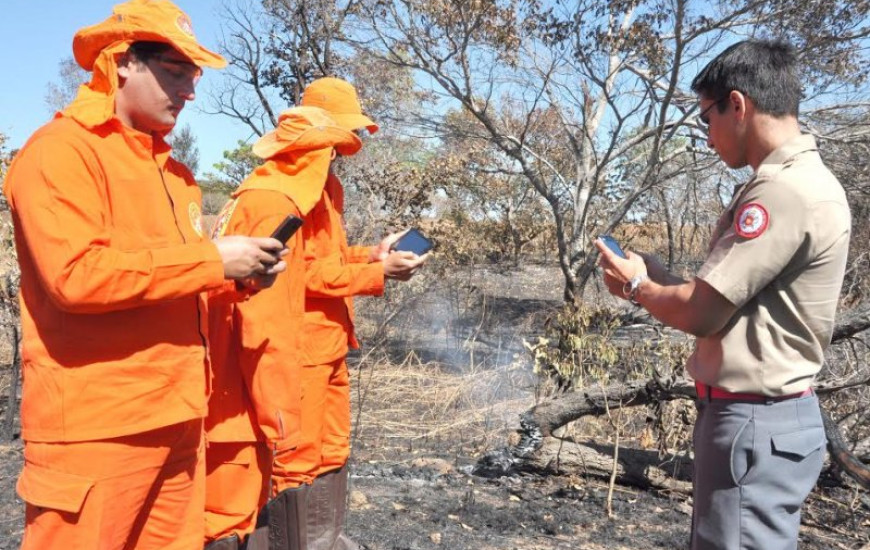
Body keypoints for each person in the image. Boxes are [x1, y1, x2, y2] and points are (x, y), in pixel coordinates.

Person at [3, 1, 287, 548]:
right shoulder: (60, 153)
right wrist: (212, 261)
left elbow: (166, 279)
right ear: (121, 63)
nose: (189, 92)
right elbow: (77, 277)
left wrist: (240, 274)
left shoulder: (174, 173)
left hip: (179, 418)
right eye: (175, 73)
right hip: (96, 431)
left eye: (193, 77)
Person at [595, 40, 851, 550]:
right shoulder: (799, 183)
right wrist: (662, 278)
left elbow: (704, 313)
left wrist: (636, 285)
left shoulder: (782, 191)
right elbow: (736, 301)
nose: (706, 135)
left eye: (706, 117)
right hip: (763, 421)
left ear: (738, 105)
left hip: (754, 422)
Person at [204, 106, 364, 549]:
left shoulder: (309, 194)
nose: (337, 158)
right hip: (274, 361)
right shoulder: (277, 201)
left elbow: (316, 264)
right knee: (267, 473)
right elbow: (266, 312)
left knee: (322, 450)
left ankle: (323, 541)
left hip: (307, 348)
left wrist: (373, 261)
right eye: (332, 148)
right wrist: (277, 406)